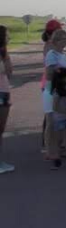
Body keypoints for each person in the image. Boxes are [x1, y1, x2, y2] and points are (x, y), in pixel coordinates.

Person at [0, 26, 14, 173]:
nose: (9, 38)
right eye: (7, 35)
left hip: (4, 92)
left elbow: (9, 72)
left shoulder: (3, 52)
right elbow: (8, 71)